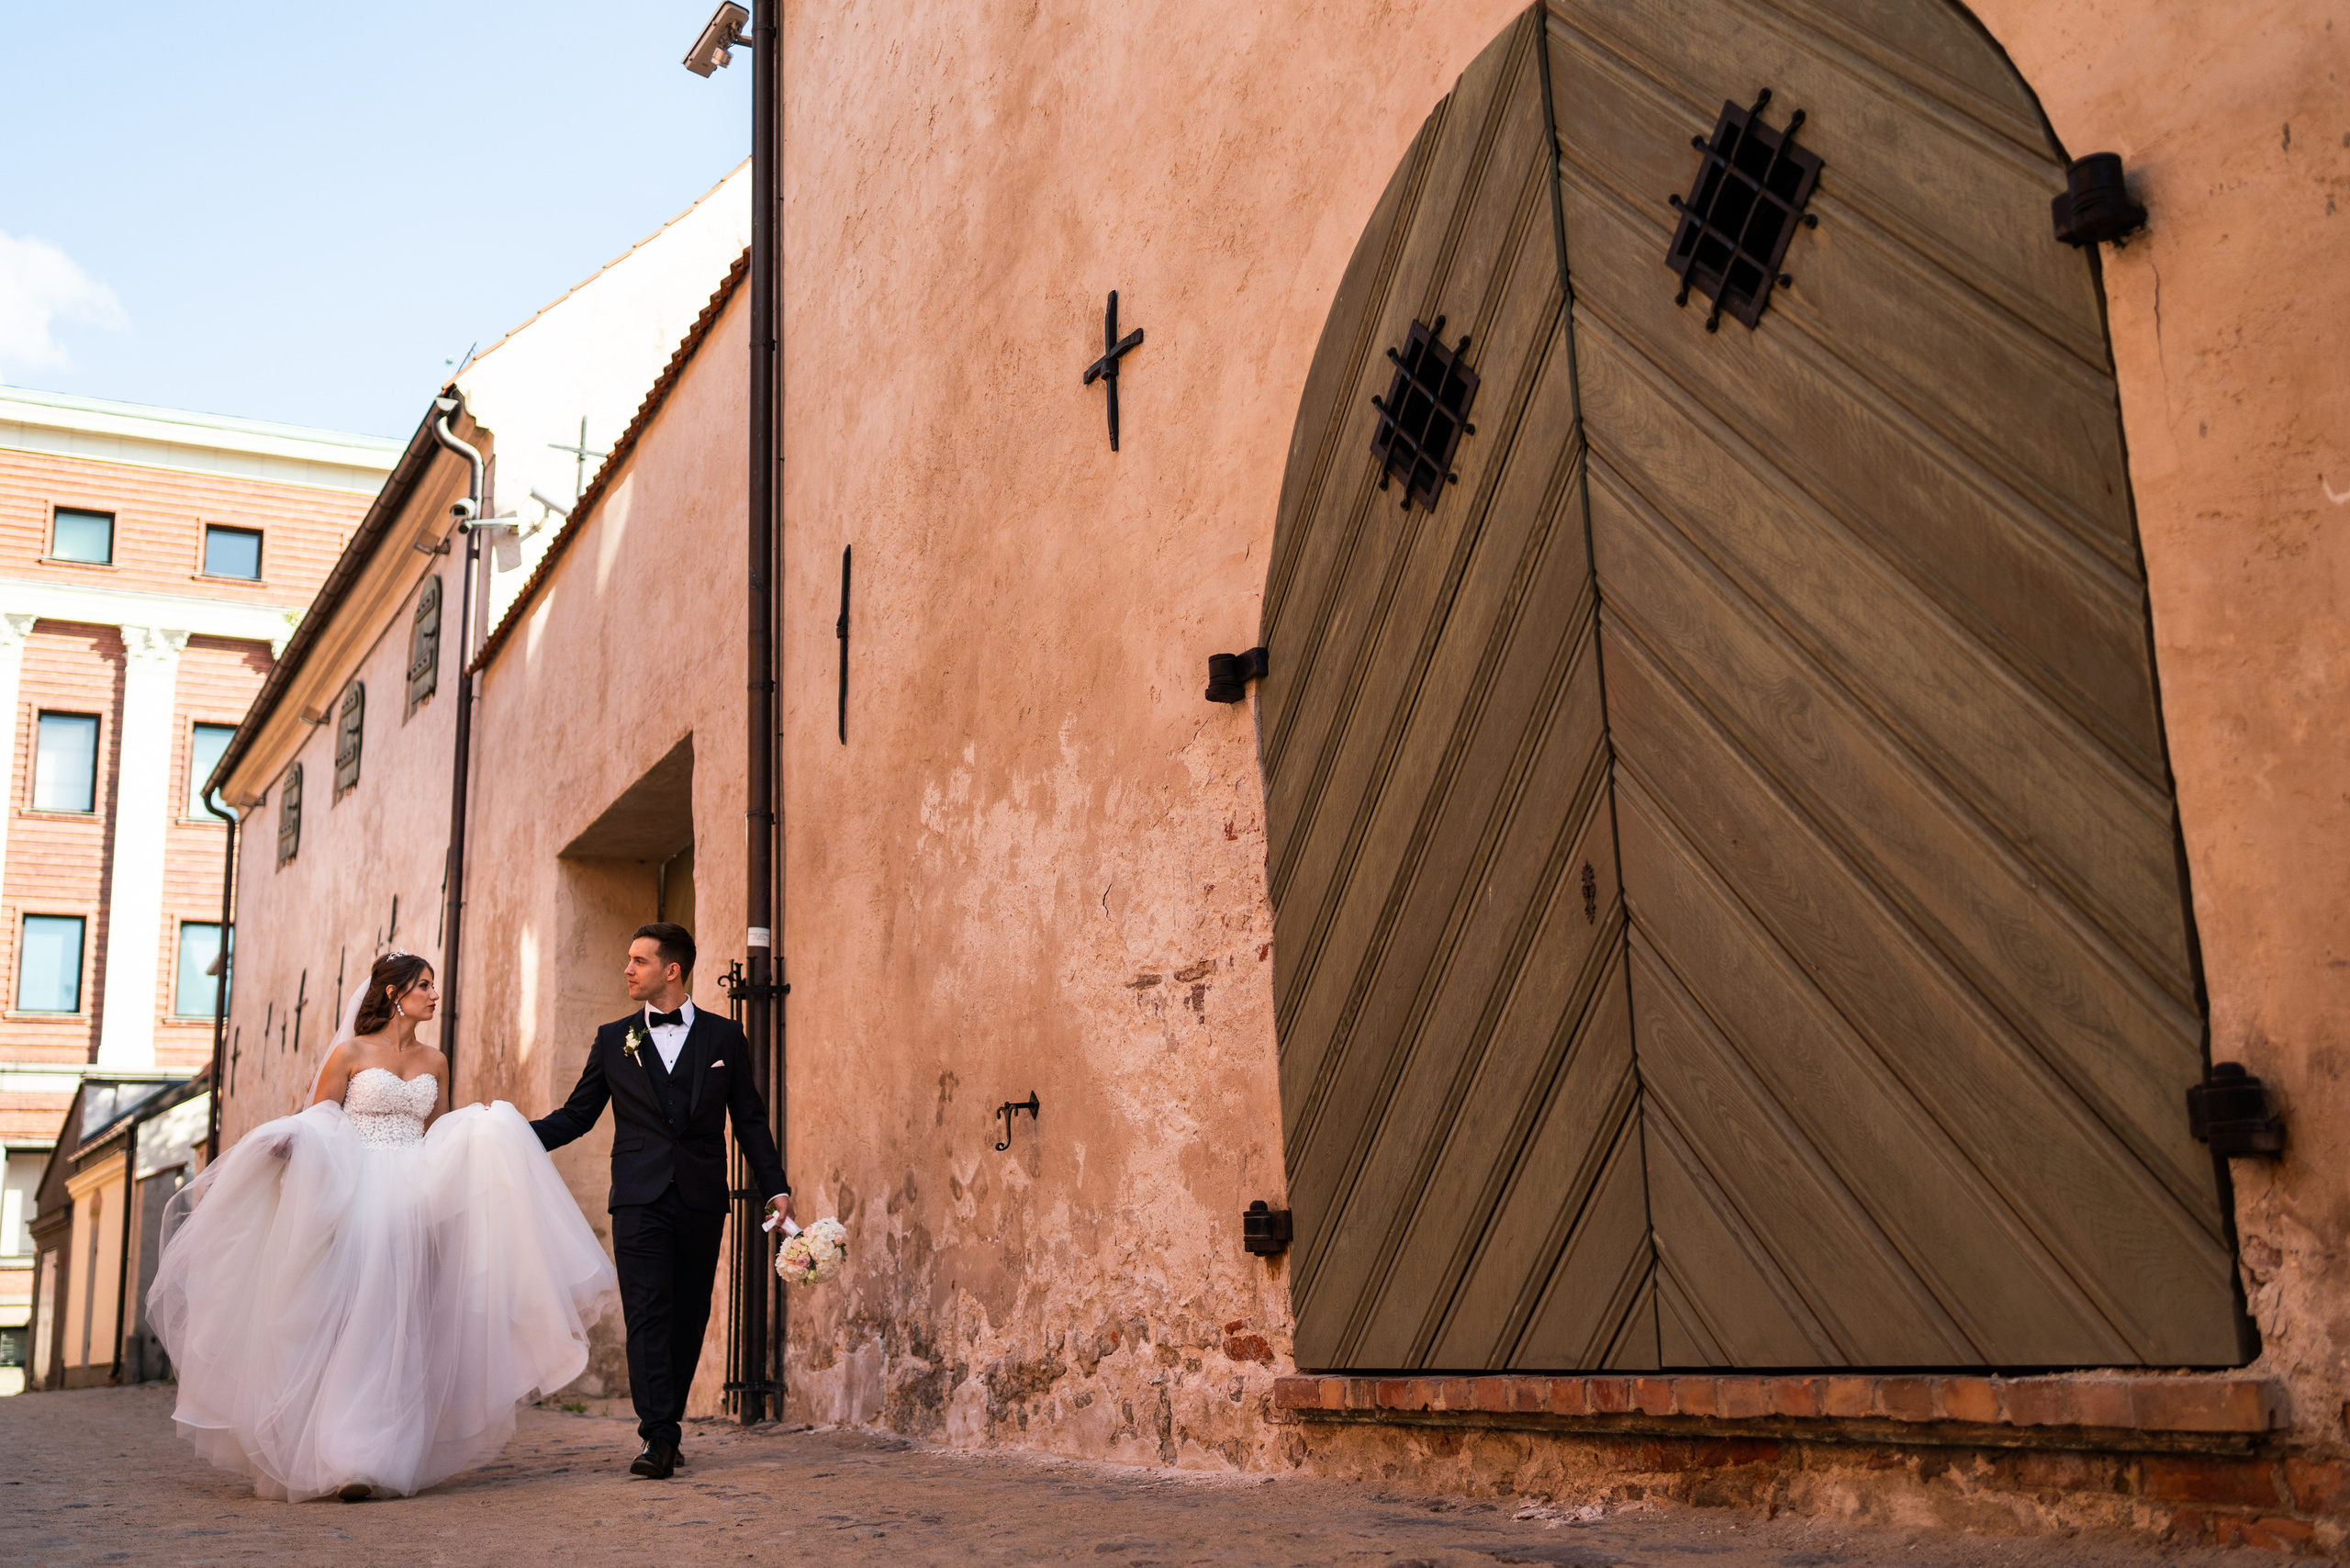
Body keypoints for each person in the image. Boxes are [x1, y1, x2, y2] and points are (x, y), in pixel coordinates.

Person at [147, 953, 617, 1503]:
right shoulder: (349, 1053)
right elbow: (320, 1119)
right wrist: (290, 1143)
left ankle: (385, 1451)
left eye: (434, 985)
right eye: (424, 985)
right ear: (394, 994)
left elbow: (438, 1132)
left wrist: (486, 1140)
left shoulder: (436, 1061)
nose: (434, 995)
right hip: (358, 1191)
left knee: (405, 1323)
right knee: (355, 1318)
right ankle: (344, 1456)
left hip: (415, 1200)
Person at [531, 923, 790, 1479]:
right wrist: (510, 1133)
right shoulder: (612, 1039)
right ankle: (658, 1436)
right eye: (628, 959)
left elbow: (748, 1119)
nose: (627, 969)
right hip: (639, 1200)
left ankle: (665, 1426)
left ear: (671, 970)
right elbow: (577, 1117)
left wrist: (776, 1186)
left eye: (638, 961)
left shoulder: (724, 1039)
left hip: (700, 1199)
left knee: (689, 1314)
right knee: (647, 1314)